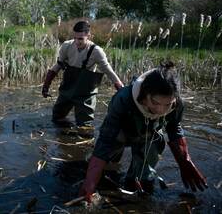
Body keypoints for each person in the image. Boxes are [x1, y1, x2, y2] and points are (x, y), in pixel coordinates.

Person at [79, 62, 208, 203]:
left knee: (145, 173)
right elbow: (106, 139)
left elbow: (173, 129)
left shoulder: (177, 103)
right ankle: (100, 167)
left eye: (168, 104)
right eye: (156, 103)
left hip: (148, 134)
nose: (161, 111)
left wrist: (185, 162)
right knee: (105, 165)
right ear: (145, 94)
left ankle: (139, 180)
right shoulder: (123, 99)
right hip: (121, 132)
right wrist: (90, 182)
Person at [42, 20, 123, 133]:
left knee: (84, 127)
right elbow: (57, 66)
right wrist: (46, 85)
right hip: (68, 88)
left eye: (80, 39)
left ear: (88, 36)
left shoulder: (96, 51)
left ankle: (84, 145)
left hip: (86, 92)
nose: (76, 41)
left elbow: (109, 71)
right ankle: (64, 136)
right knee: (57, 117)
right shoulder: (66, 46)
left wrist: (121, 90)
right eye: (75, 37)